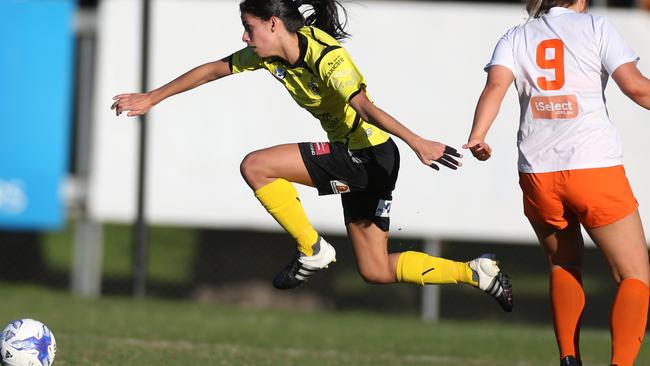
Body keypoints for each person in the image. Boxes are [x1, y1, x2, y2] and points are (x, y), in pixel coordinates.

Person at [111, 0, 513, 312]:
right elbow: (215, 69)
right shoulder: (268, 55)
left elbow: (365, 106)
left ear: (272, 23)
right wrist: (152, 97)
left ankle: (312, 249)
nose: (246, 38)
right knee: (375, 269)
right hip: (370, 160)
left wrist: (417, 141)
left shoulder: (327, 57)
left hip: (366, 153)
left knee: (256, 166)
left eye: (249, 28)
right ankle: (475, 272)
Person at [464, 0, 650, 364]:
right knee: (634, 274)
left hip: (537, 174)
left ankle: (568, 357)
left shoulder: (516, 36)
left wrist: (478, 135)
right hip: (594, 168)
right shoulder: (596, 27)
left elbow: (494, 87)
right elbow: (636, 88)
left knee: (564, 265)